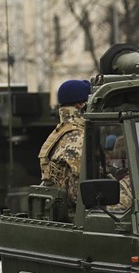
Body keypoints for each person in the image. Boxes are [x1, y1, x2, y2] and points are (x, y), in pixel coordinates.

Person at [38, 79, 90, 211]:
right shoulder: (78, 137)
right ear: (80, 105)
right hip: (78, 217)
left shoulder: (61, 131)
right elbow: (81, 194)